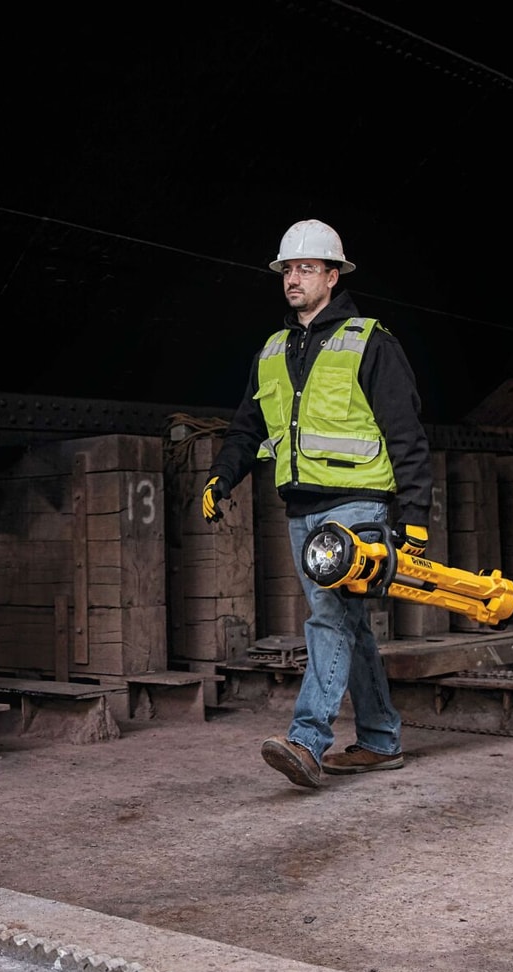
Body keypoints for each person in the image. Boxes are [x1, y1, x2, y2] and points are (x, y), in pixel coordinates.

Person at [201, 219, 433, 790]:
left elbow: (405, 431)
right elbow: (247, 426)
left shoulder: (370, 340)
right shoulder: (275, 349)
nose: (293, 278)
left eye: (306, 268)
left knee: (328, 616)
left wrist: (416, 517)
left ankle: (307, 739)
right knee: (349, 623)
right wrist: (221, 476)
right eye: (287, 269)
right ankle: (380, 741)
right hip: (301, 511)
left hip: (358, 506)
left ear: (333, 275)